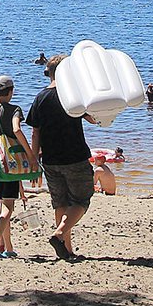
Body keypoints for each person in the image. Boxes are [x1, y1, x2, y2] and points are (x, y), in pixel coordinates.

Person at [26, 54, 96, 262]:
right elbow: (93, 119)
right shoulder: (73, 97)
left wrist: (33, 159)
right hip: (75, 156)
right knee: (82, 199)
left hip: (50, 159)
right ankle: (59, 235)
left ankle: (66, 250)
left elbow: (35, 132)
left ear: (48, 73)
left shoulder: (40, 98)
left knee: (60, 203)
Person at [0, 75, 37, 259]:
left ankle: (9, 248)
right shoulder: (15, 110)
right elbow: (16, 130)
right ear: (11, 92)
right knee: (8, 208)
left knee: (1, 205)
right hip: (11, 165)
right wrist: (30, 155)